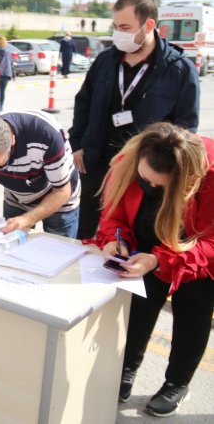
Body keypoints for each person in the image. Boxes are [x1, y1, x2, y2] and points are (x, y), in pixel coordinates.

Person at [91, 122, 213, 417]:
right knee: (139, 306)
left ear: (188, 180)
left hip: (195, 251)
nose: (150, 187)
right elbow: (113, 213)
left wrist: (160, 259)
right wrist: (114, 240)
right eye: (145, 180)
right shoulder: (130, 160)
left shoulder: (211, 179)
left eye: (160, 185)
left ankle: (177, 382)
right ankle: (127, 368)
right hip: (145, 243)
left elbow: (211, 242)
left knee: (193, 315)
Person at [69, 0, 199, 240]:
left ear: (149, 25)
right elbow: (83, 101)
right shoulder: (106, 60)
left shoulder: (180, 70)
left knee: (133, 237)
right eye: (116, 26)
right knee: (85, 233)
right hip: (96, 164)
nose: (119, 33)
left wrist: (161, 169)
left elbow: (186, 127)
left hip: (143, 172)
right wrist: (77, 144)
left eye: (125, 27)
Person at [0, 111, 80, 238]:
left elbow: (62, 191)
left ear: (12, 140)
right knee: (11, 245)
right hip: (16, 196)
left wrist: (28, 219)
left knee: (58, 249)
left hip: (58, 197)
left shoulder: (46, 136)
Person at [0, 35, 15, 112]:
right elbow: (11, 63)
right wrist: (13, 74)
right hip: (6, 74)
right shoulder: (7, 51)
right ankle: (1, 108)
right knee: (2, 91)